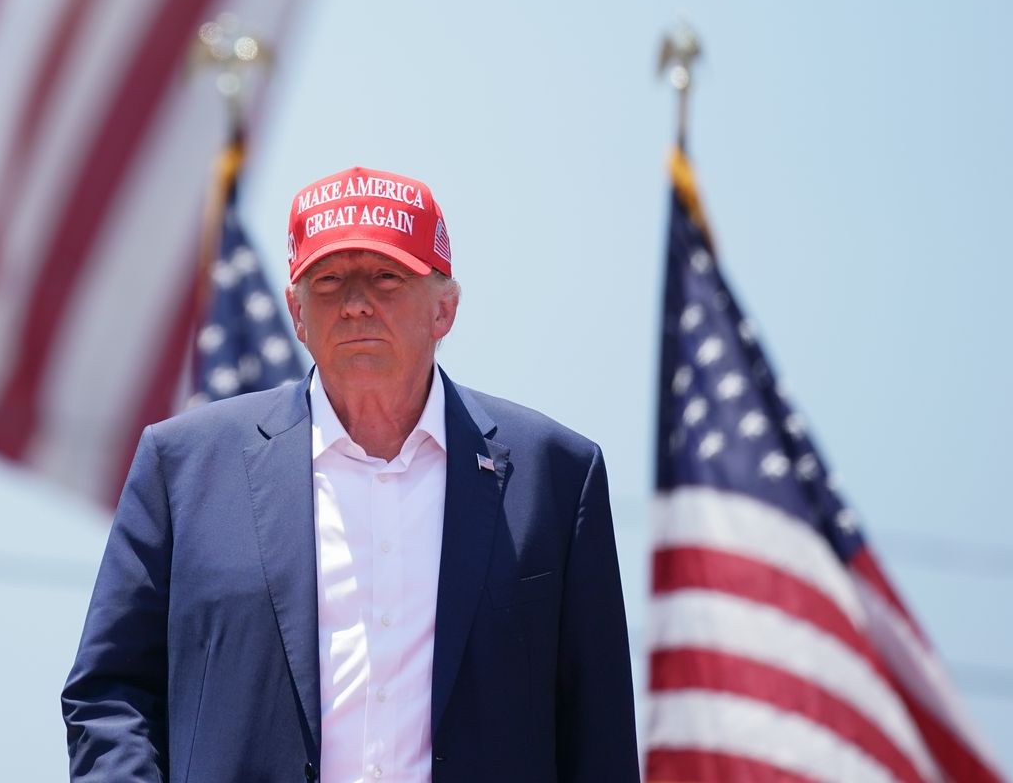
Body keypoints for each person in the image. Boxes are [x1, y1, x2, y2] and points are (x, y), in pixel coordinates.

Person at [63, 166, 637, 782]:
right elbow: (110, 694)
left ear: (444, 309)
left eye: (387, 277)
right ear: (297, 312)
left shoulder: (555, 476)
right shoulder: (184, 467)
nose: (357, 303)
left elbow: (597, 734)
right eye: (329, 280)